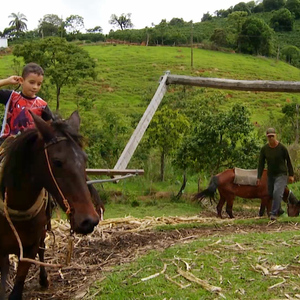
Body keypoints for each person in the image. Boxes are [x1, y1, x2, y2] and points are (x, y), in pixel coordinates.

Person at [0, 62, 53, 145]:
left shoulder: (42, 105)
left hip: (30, 147)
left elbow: (50, 125)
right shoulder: (11, 97)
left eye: (39, 84)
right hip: (8, 144)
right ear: (21, 80)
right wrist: (7, 81)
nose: (35, 87)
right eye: (31, 82)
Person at [257, 128, 294, 220]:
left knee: (277, 192)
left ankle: (273, 214)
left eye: (272, 136)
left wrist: (291, 175)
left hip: (281, 174)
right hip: (271, 175)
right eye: (269, 137)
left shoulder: (282, 148)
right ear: (267, 137)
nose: (271, 138)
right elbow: (261, 164)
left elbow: (288, 162)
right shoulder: (265, 149)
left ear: (275, 136)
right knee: (270, 193)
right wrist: (259, 177)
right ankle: (279, 209)